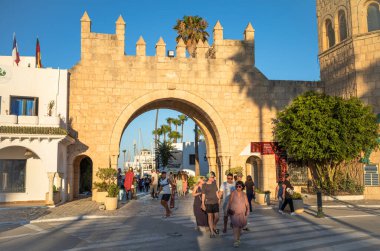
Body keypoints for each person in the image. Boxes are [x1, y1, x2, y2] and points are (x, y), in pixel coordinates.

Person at [226, 181, 249, 248]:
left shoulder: (244, 194)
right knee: (235, 227)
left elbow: (247, 203)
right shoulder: (233, 193)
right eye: (237, 186)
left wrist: (247, 210)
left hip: (242, 212)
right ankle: (235, 241)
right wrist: (227, 210)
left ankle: (238, 239)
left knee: (239, 227)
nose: (238, 188)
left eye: (239, 186)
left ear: (242, 187)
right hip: (234, 213)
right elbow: (230, 202)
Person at [201, 171, 221, 238]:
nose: (214, 178)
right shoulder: (204, 185)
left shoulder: (214, 184)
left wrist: (219, 199)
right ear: (209, 178)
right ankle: (212, 232)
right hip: (208, 203)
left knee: (217, 217)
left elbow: (216, 193)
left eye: (214, 177)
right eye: (212, 177)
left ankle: (214, 226)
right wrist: (203, 204)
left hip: (215, 202)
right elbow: (203, 195)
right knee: (210, 217)